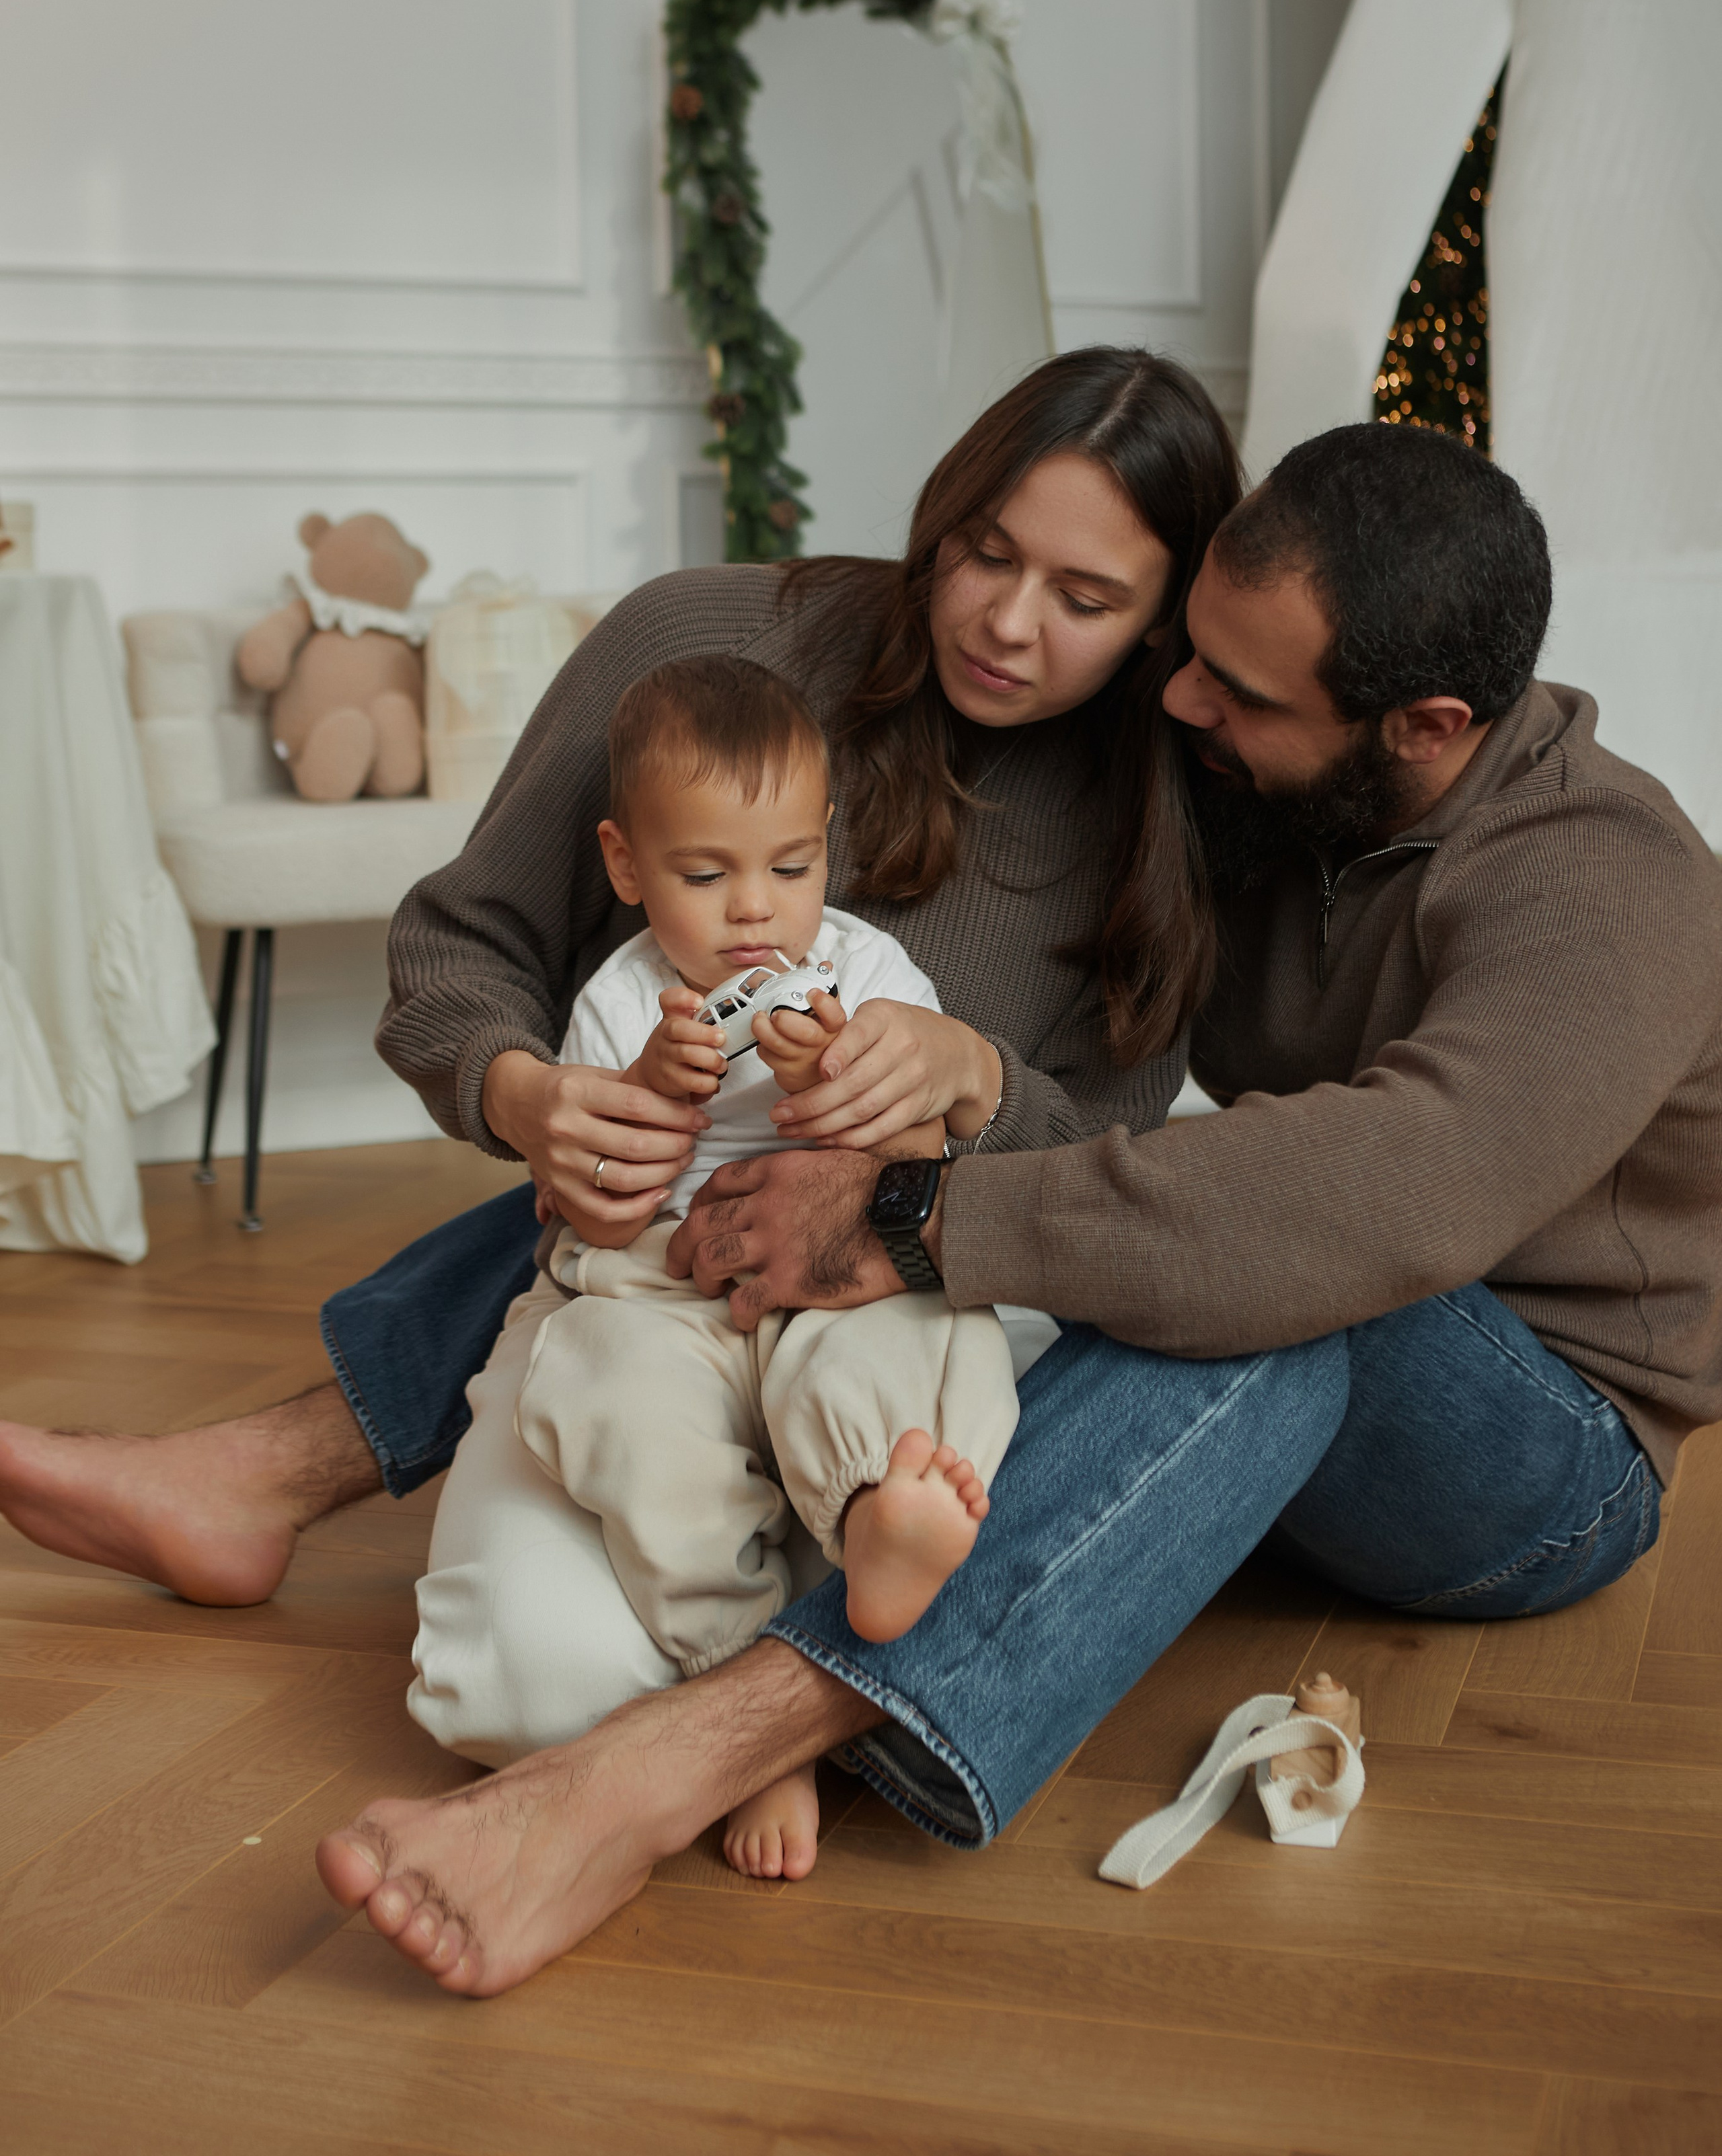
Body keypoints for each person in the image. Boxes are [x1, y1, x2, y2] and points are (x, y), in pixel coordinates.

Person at [7, 408, 1718, 2005]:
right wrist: (800, 1084)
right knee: (761, 1173)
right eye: (1187, 649)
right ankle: (286, 1466)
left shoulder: (1607, 887)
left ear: (1422, 730)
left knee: (1267, 1281)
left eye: (1242, 693)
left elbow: (1370, 1205)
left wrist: (907, 1219)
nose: (1184, 705)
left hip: (1536, 1441)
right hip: (1328, 1295)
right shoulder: (1272, 782)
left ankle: (680, 1760)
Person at [416, 650, 1037, 1884]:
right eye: (707, 876)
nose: (757, 911)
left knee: (925, 1331)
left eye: (791, 868)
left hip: (835, 1269)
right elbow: (599, 1215)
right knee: (610, 1394)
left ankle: (881, 1520)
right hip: (664, 1283)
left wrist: (834, 1089)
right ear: (626, 866)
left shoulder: (868, 977)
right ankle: (740, 1686)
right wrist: (653, 1094)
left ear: (827, 852)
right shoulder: (618, 1004)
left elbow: (922, 1157)